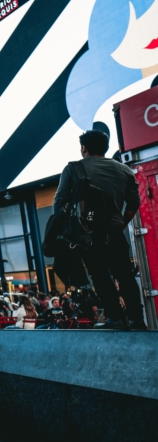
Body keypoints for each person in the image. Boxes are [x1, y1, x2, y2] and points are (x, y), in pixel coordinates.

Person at [54, 129, 143, 328]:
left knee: (100, 275)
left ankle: (115, 317)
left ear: (83, 148)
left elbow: (58, 204)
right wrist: (122, 223)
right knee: (125, 275)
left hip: (89, 234)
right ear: (105, 148)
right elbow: (134, 202)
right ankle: (137, 319)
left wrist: (70, 230)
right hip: (115, 231)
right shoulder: (124, 170)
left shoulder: (73, 169)